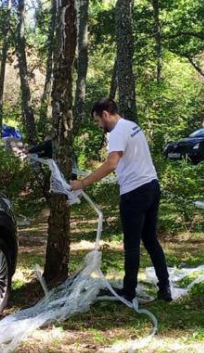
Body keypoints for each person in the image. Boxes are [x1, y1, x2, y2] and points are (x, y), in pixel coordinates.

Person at [69, 98, 171, 303]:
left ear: (106, 114)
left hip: (134, 193)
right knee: (151, 240)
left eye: (98, 120)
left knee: (132, 244)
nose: (99, 125)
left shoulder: (116, 132)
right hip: (152, 186)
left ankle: (129, 291)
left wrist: (83, 183)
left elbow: (111, 164)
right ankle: (165, 287)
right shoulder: (132, 126)